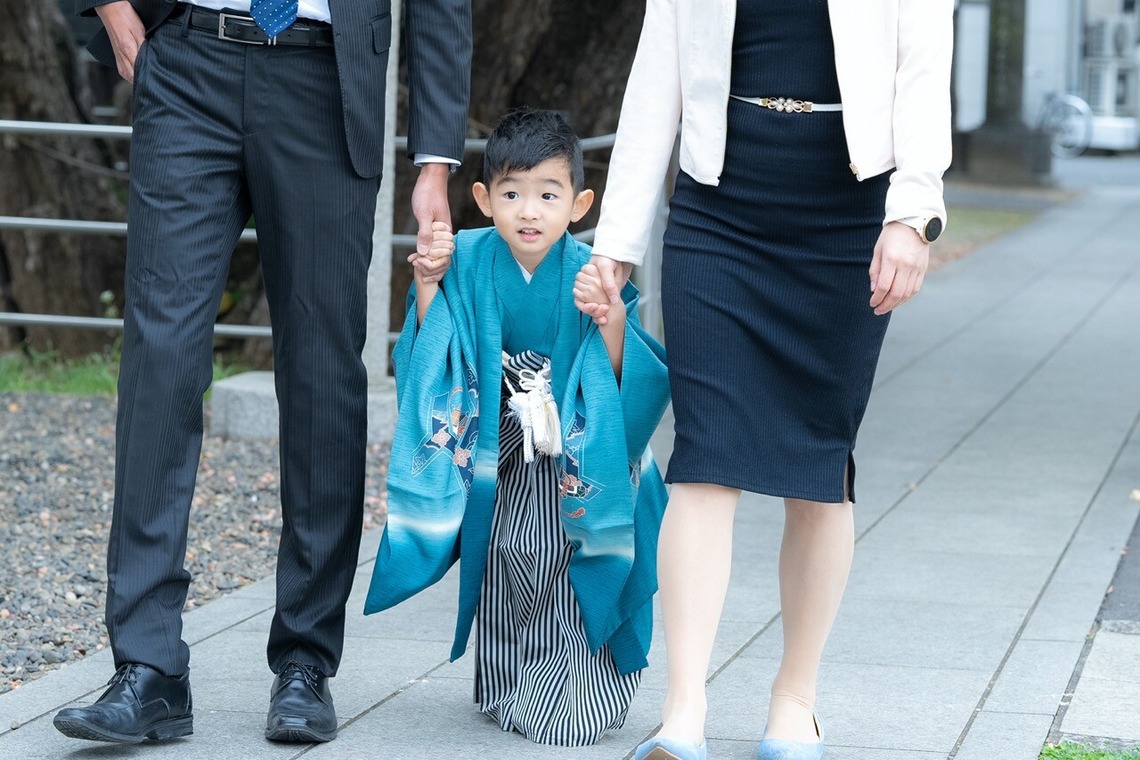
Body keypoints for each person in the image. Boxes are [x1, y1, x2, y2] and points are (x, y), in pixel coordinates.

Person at [52, 0, 471, 745]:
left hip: (325, 72)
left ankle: (306, 660)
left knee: (322, 373)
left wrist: (434, 160)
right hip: (185, 58)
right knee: (160, 361)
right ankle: (147, 668)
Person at [576, 1, 953, 759]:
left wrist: (913, 214)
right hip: (720, 210)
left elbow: (922, 67)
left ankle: (795, 699)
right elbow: (658, 74)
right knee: (706, 458)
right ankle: (684, 709)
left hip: (849, 214)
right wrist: (615, 241)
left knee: (817, 466)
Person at [363, 109, 670, 746]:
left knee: (567, 554)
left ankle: (583, 691)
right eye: (510, 193)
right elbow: (434, 351)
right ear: (482, 199)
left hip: (573, 450)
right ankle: (508, 683)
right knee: (507, 554)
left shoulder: (592, 268)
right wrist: (426, 282)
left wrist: (608, 317)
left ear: (580, 204)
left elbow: (623, 379)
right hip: (494, 448)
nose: (529, 211)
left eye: (548, 195)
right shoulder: (468, 258)